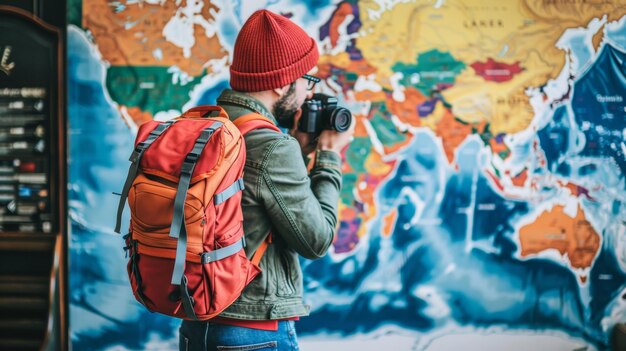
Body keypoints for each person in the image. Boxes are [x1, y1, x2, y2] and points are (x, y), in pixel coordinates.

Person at [179, 9, 355, 351]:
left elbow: (251, 210)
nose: (308, 93)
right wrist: (330, 156)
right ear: (279, 82)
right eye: (308, 80)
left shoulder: (213, 126)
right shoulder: (272, 145)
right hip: (253, 332)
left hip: (198, 324)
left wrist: (302, 152)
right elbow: (316, 241)